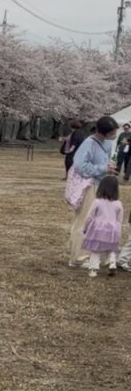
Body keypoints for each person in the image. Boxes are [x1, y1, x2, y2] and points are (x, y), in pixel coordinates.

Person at [68, 116, 118, 268]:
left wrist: (108, 166)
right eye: (113, 132)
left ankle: (91, 254)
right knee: (84, 220)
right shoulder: (89, 143)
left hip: (101, 185)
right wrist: (102, 168)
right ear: (105, 132)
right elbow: (80, 166)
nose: (114, 135)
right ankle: (78, 257)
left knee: (97, 222)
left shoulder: (106, 143)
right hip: (89, 186)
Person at [82, 175, 122, 278]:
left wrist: (85, 227)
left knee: (96, 249)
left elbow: (89, 216)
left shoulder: (97, 201)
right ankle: (112, 262)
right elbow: (119, 221)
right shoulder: (118, 203)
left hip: (98, 229)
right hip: (113, 230)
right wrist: (119, 234)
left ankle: (93, 269)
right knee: (111, 247)